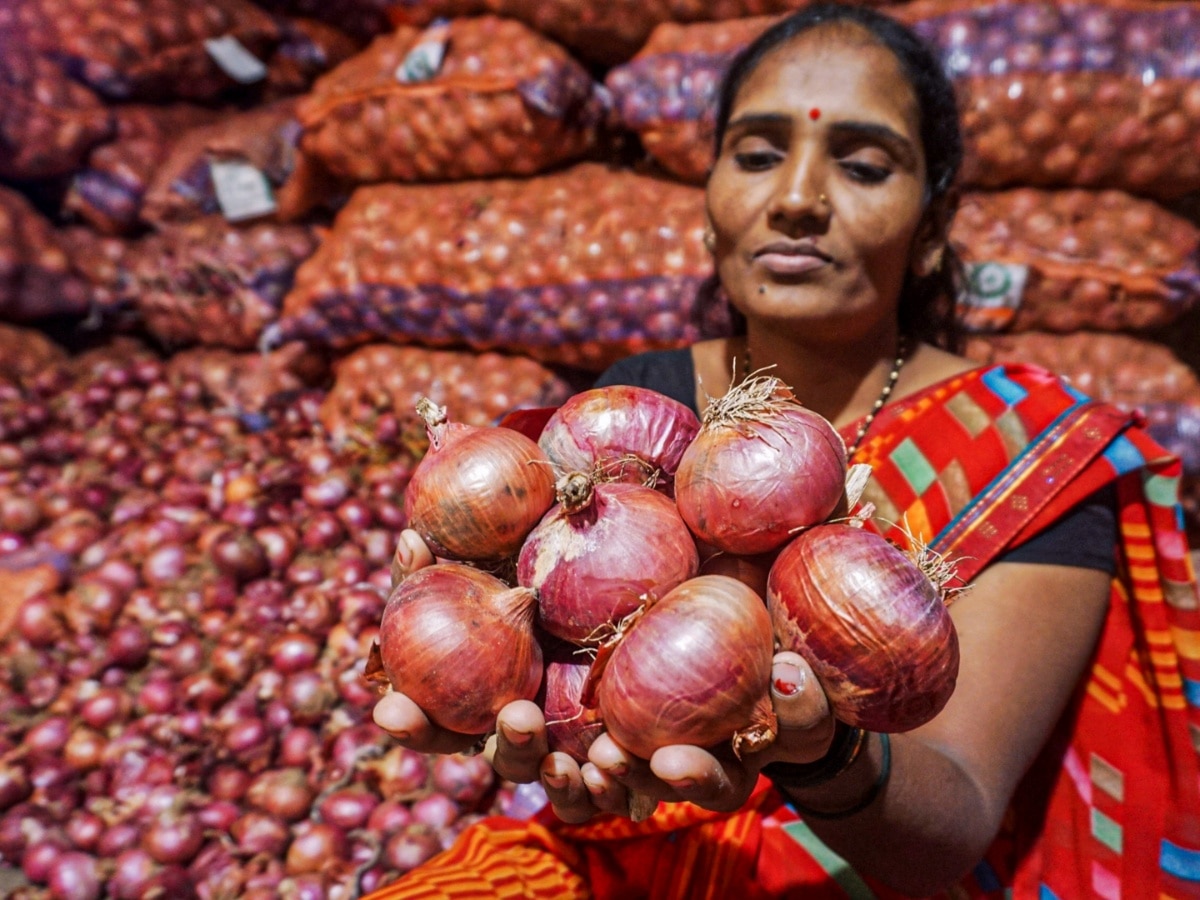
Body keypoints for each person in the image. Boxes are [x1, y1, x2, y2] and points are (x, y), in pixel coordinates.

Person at [365, 4, 1200, 897]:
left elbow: (951, 822)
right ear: (709, 209)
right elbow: (560, 657)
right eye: (759, 155)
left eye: (864, 164)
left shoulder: (1031, 447)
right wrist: (489, 655)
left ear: (930, 229)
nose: (799, 198)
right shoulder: (630, 404)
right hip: (624, 857)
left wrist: (823, 754)